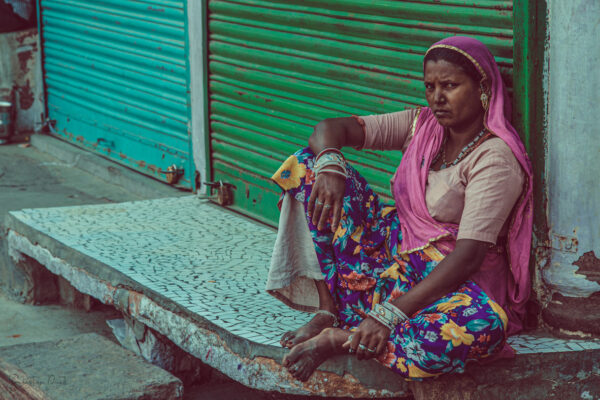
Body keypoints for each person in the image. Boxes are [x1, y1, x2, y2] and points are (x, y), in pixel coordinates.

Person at [267, 36, 533, 382]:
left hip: (450, 284)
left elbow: (468, 256)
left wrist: (389, 315)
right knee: (306, 165)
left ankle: (344, 338)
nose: (437, 98)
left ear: (483, 88)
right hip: (390, 263)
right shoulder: (422, 125)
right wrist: (330, 165)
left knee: (482, 329)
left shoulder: (495, 158)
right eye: (430, 87)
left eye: (450, 86)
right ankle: (330, 311)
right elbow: (330, 129)